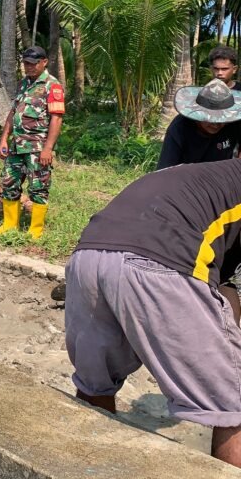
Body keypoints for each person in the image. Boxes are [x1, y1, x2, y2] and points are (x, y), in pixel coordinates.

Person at [65, 159, 241, 469]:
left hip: (87, 258)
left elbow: (224, 284)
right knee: (234, 405)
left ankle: (84, 469)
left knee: (96, 382)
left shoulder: (202, 176)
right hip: (158, 264)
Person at [0, 46, 65, 239]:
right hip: (17, 146)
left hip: (37, 148)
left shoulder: (52, 85)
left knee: (38, 187)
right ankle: (9, 225)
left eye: (33, 64)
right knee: (9, 182)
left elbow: (56, 118)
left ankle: (35, 230)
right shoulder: (24, 83)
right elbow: (13, 111)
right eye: (26, 64)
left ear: (44, 62)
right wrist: (4, 138)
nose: (29, 67)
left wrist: (48, 148)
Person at [158, 79, 241, 170]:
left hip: (221, 176)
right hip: (187, 179)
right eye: (211, 119)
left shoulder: (235, 123)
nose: (216, 125)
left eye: (222, 120)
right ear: (198, 113)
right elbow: (165, 169)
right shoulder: (179, 127)